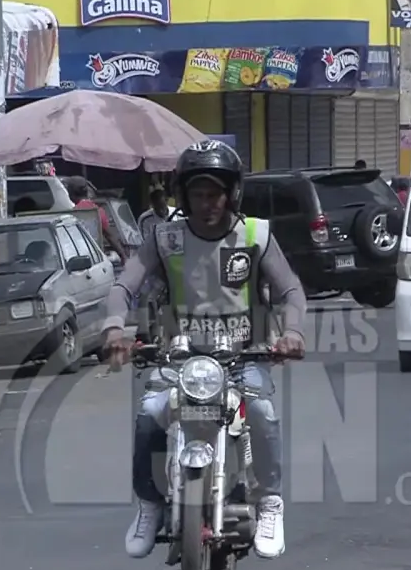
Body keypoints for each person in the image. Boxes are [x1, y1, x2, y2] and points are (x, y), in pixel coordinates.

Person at [101, 140, 307, 561]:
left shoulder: (255, 234)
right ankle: (149, 503)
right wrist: (113, 327)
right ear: (183, 196)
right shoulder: (164, 238)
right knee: (149, 416)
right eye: (198, 194)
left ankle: (270, 502)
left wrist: (293, 333)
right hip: (179, 359)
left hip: (243, 357)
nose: (207, 203)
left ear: (232, 194)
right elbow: (125, 286)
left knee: (264, 414)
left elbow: (290, 290)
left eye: (215, 193)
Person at [66, 176, 127, 260]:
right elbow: (110, 236)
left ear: (71, 193)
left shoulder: (70, 215)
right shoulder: (98, 211)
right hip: (96, 260)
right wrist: (123, 256)